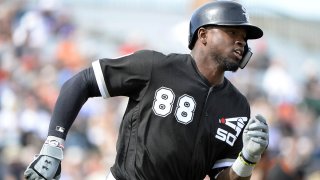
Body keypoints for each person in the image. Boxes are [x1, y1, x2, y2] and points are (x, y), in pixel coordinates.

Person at [24, 1, 269, 180]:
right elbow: (81, 82)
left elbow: (222, 178)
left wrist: (247, 158)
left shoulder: (237, 106)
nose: (241, 41)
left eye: (244, 36)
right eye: (232, 32)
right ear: (202, 35)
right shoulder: (156, 66)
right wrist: (53, 146)